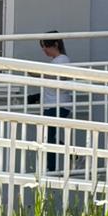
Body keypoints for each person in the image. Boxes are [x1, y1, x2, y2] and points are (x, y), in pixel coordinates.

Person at [38, 35, 72, 173]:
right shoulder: (55, 61)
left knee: (47, 137)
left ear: (55, 44)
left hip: (58, 105)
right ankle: (73, 156)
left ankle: (51, 168)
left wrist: (38, 74)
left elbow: (61, 79)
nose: (44, 50)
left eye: (46, 46)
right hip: (52, 105)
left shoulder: (63, 60)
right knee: (47, 137)